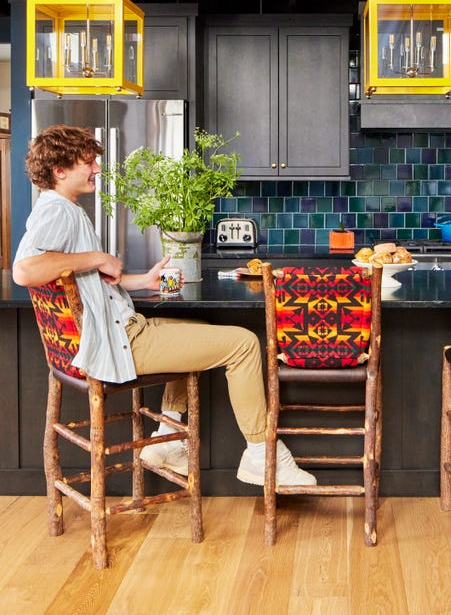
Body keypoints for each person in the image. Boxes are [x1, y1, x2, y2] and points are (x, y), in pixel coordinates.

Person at [13, 125, 314, 488]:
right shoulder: (58, 212)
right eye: (88, 161)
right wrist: (97, 256)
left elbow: (82, 281)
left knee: (199, 329)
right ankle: (262, 455)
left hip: (121, 332)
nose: (97, 168)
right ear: (60, 170)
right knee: (244, 343)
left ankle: (164, 443)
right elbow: (24, 270)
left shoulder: (64, 209)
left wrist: (142, 281)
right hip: (120, 341)